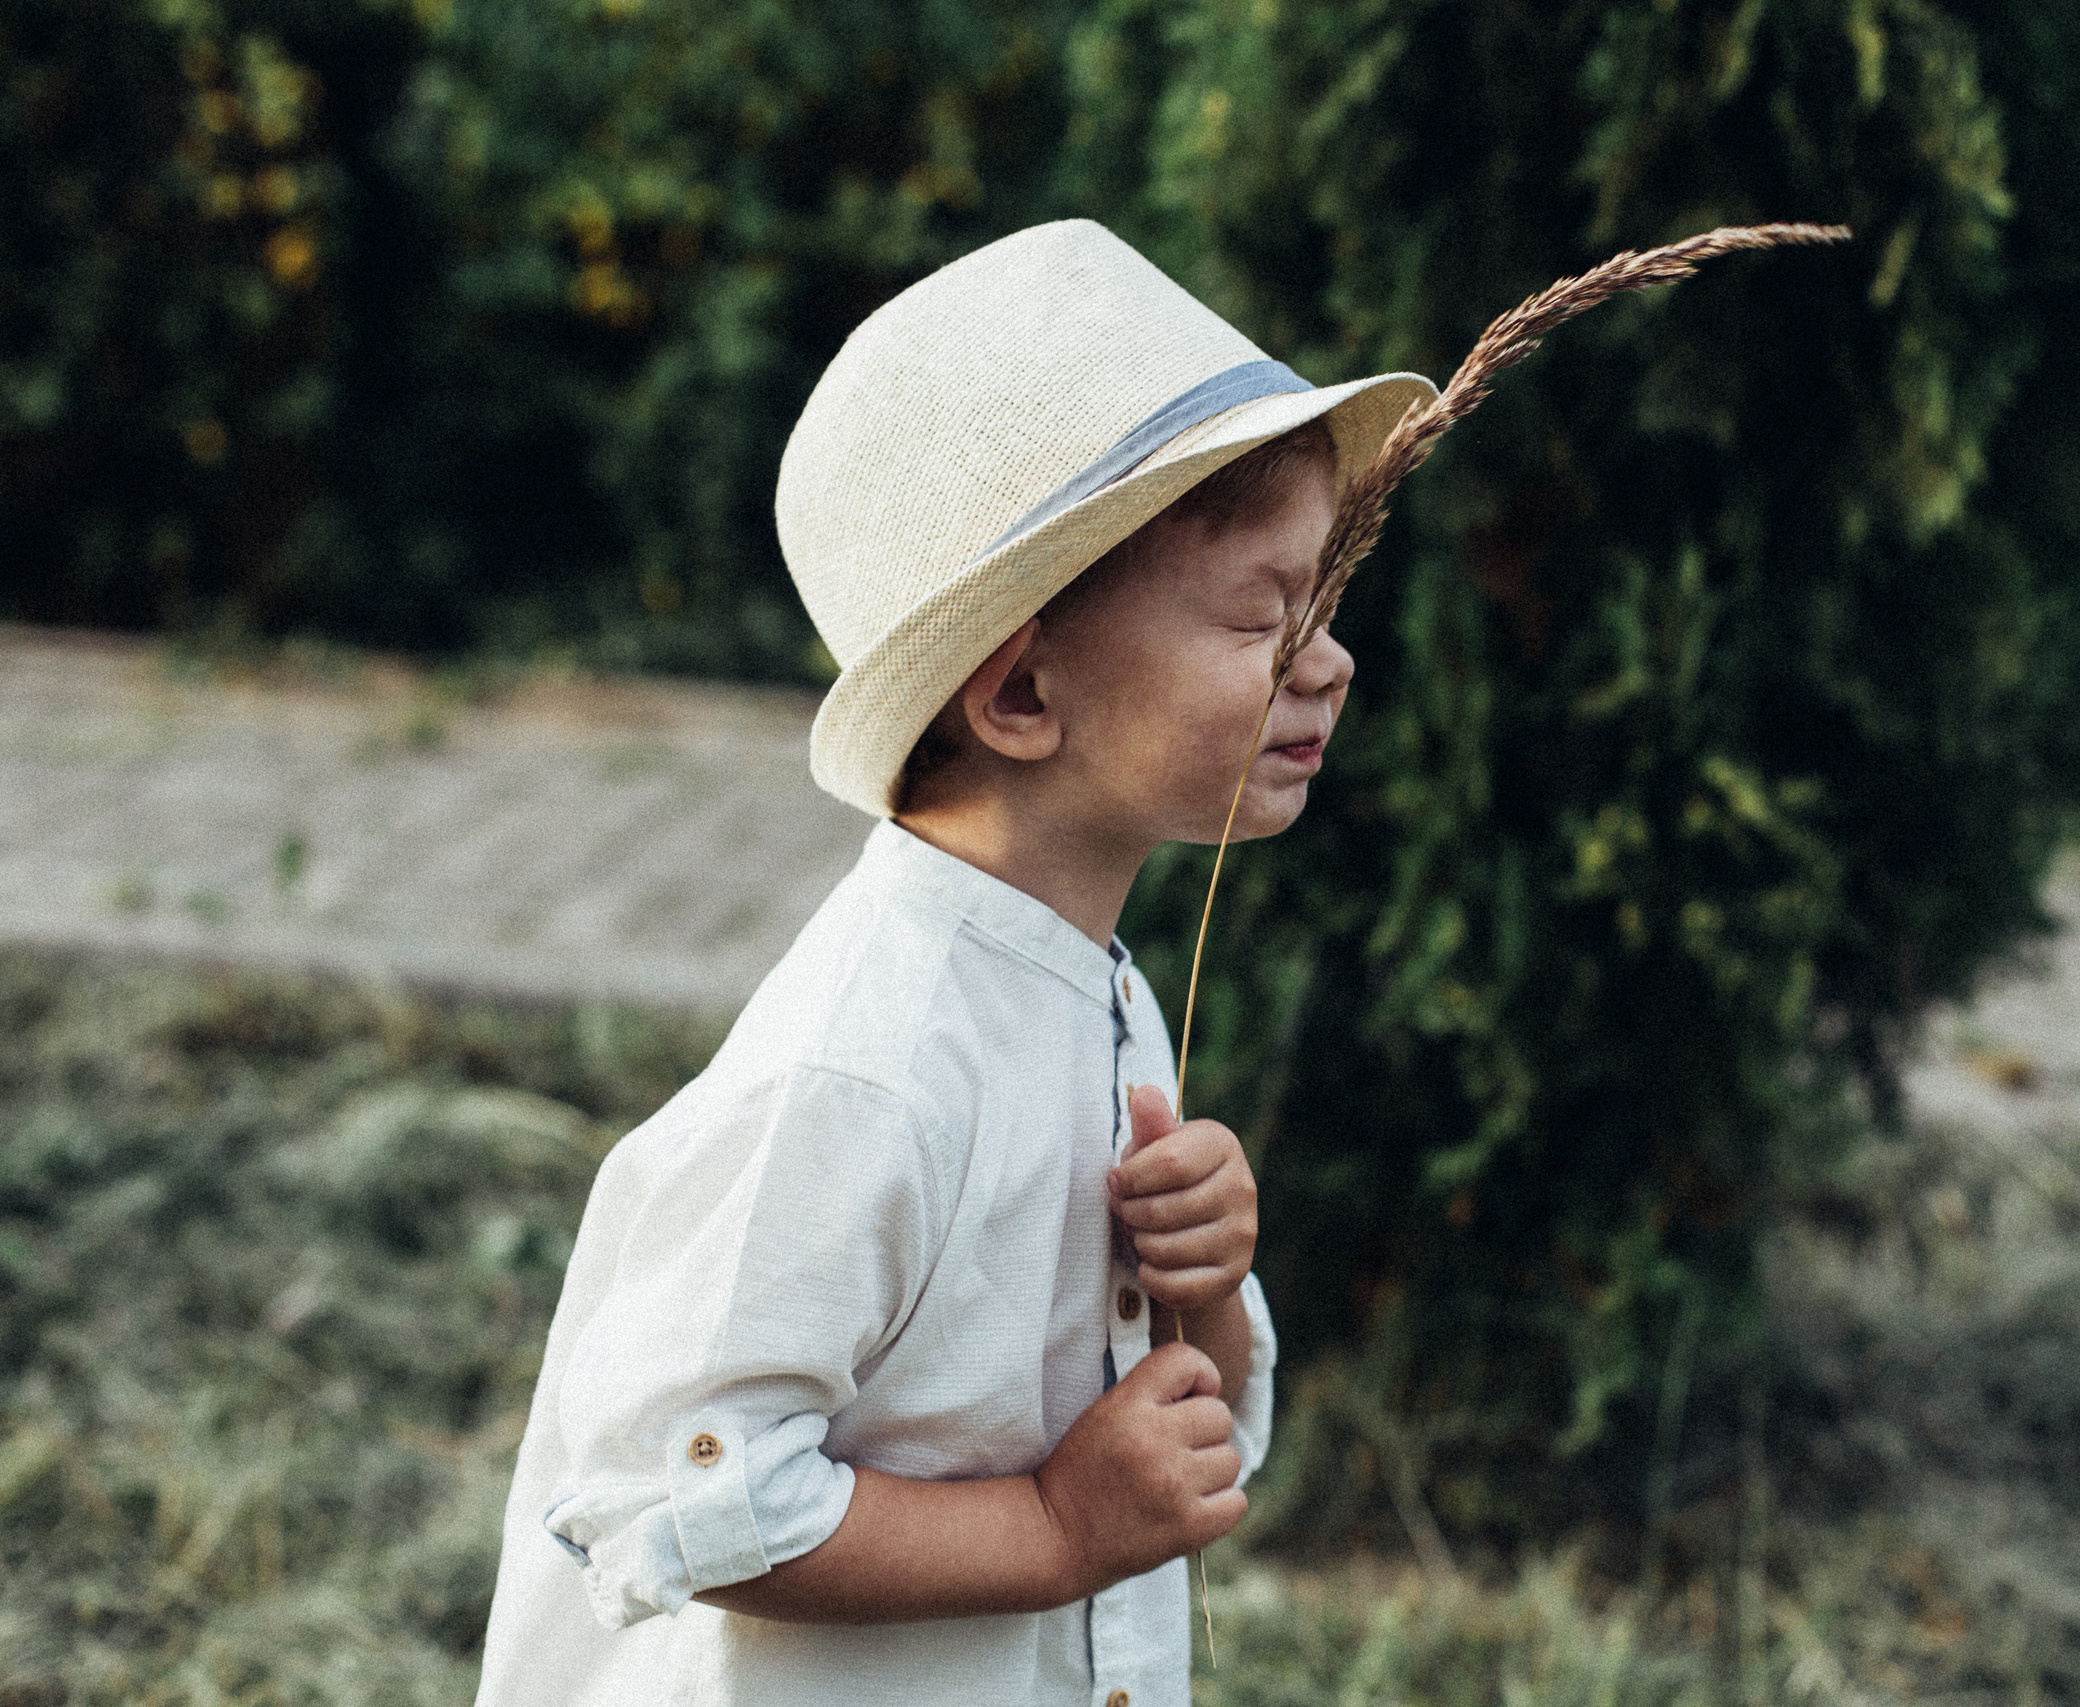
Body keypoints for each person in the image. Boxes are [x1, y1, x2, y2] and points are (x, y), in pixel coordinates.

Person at [473, 219, 1435, 1707]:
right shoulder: (866, 1064)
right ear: (1026, 691)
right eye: (1265, 613)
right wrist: (1053, 1528)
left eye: (1325, 607)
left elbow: (1180, 1447)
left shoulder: (1090, 984)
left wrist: (1211, 1300)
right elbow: (672, 1490)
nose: (1329, 660)